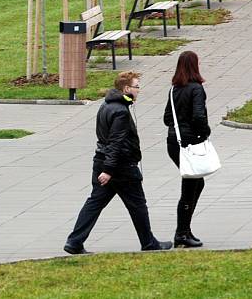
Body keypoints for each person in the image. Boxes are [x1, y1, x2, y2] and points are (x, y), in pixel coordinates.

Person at [64, 71, 172, 254]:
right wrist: (108, 170)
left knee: (95, 202)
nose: (139, 91)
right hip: (120, 167)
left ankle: (74, 242)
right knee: (137, 204)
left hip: (102, 161)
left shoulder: (106, 105)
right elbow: (115, 142)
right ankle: (149, 243)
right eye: (137, 87)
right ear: (127, 88)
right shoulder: (121, 111)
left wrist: (105, 167)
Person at [163, 51, 210, 248]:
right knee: (191, 185)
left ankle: (185, 229)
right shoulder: (196, 89)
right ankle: (182, 233)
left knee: (196, 184)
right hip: (190, 143)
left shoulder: (174, 90)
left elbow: (167, 118)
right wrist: (204, 132)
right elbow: (199, 116)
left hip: (174, 143)